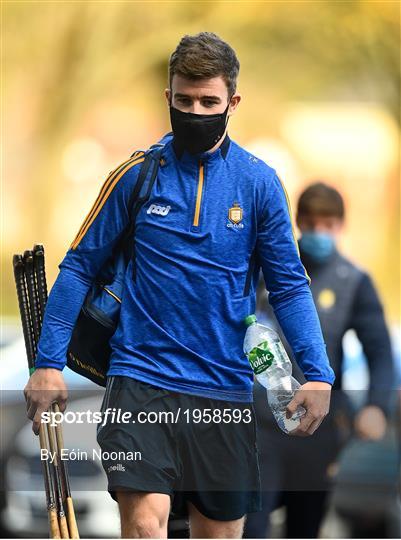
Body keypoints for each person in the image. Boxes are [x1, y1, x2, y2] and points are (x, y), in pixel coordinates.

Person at [23, 33, 335, 539]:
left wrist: (318, 374)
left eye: (208, 102)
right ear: (168, 96)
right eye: (184, 100)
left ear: (232, 102)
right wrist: (47, 365)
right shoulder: (135, 176)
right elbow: (78, 266)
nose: (195, 111)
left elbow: (290, 287)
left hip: (224, 393)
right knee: (146, 524)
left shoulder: (259, 185)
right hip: (139, 383)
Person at [244, 182, 395, 538]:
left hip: (319, 425)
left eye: (327, 225)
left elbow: (380, 351)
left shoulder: (353, 282)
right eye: (310, 224)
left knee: (305, 526)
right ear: (298, 222)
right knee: (253, 524)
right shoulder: (268, 270)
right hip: (261, 424)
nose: (318, 233)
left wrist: (376, 406)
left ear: (340, 226)